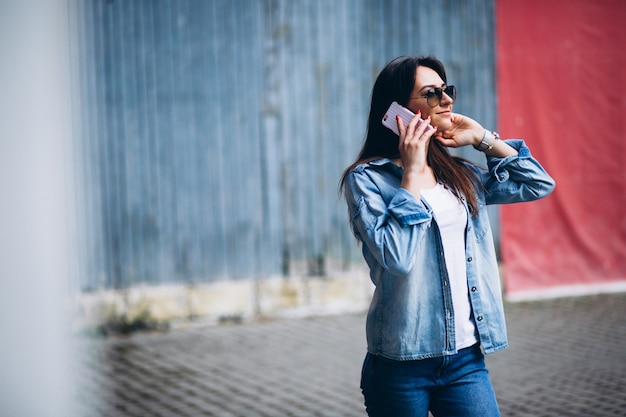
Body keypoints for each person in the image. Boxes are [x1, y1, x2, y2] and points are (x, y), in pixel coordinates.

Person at [339, 55, 555, 417]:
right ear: (396, 111)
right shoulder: (367, 179)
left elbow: (538, 183)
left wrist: (483, 139)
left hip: (466, 359)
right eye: (432, 93)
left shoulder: (460, 174)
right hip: (401, 361)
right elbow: (397, 259)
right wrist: (412, 172)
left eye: (446, 90)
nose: (447, 100)